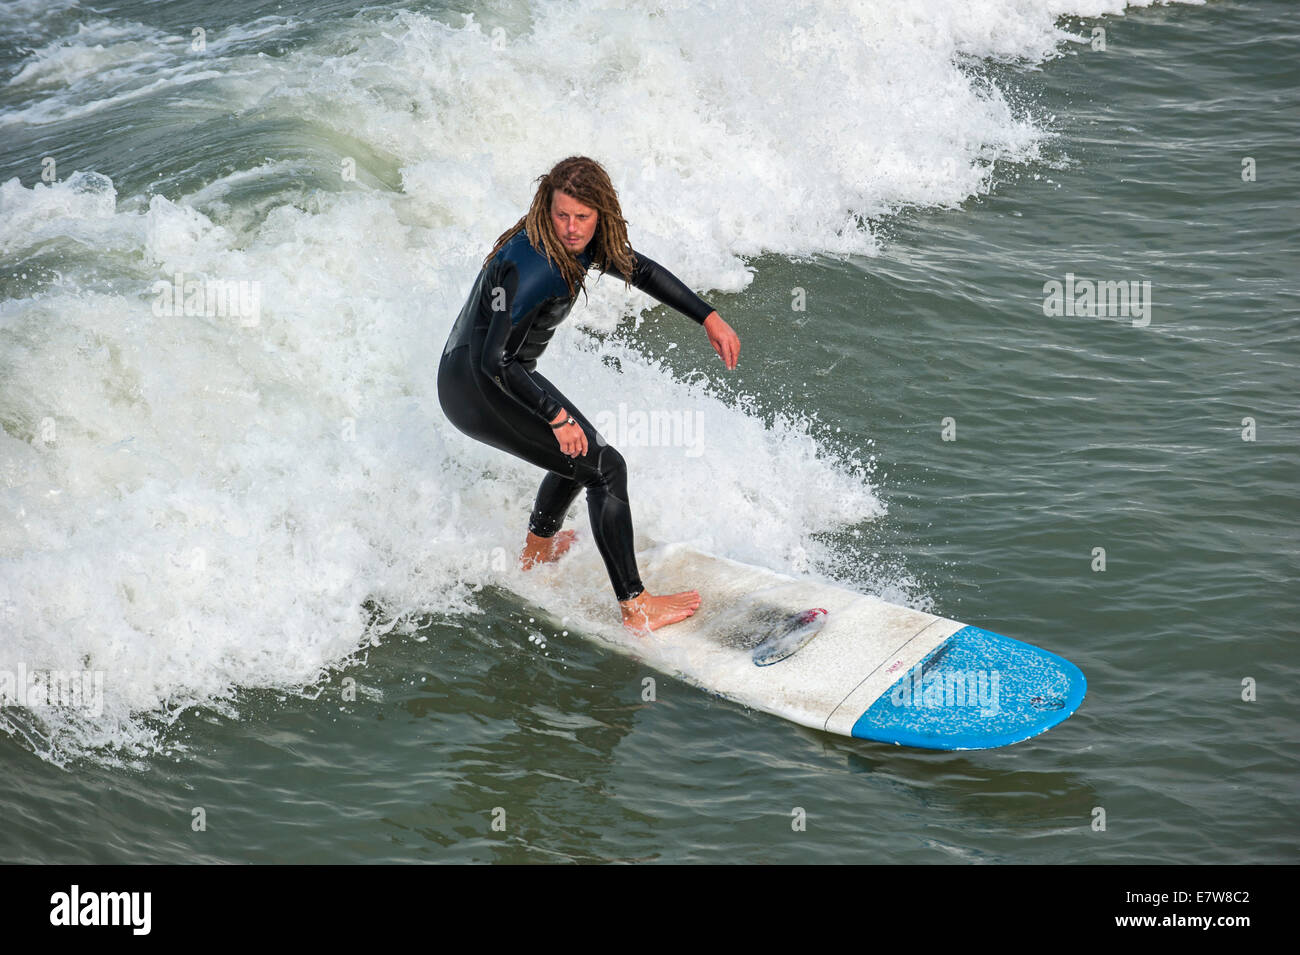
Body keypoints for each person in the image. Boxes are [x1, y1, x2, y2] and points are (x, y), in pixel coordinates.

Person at [437, 156, 740, 632]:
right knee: (604, 467)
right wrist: (553, 413)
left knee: (580, 450)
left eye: (583, 216)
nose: (572, 228)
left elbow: (638, 269)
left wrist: (708, 316)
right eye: (562, 215)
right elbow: (494, 360)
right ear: (546, 208)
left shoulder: (576, 243)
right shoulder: (535, 267)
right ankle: (635, 607)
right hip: (478, 385)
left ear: (602, 213)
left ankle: (537, 554)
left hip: (481, 372)